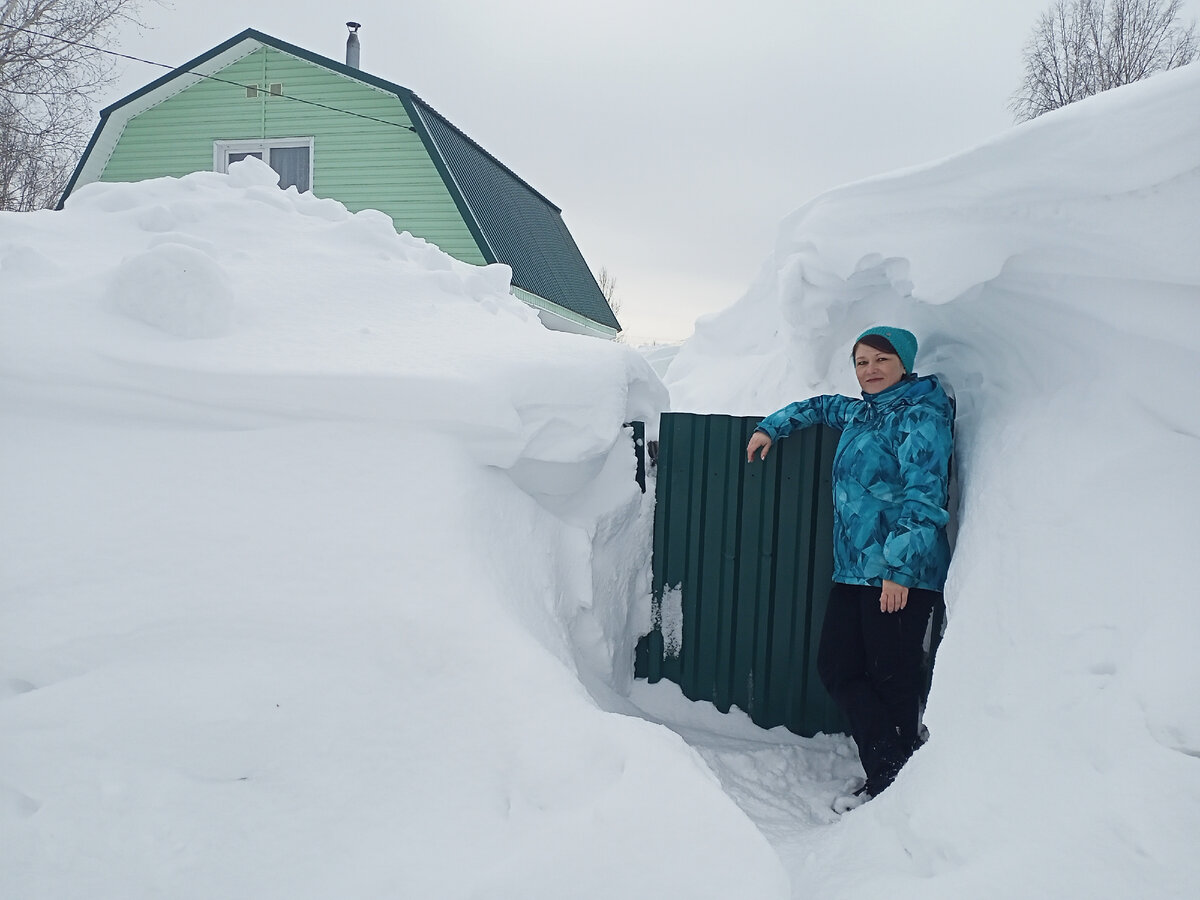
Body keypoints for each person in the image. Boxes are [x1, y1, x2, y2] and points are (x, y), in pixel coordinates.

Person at [745, 326, 954, 811]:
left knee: (891, 677)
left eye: (882, 360)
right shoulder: (862, 412)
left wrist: (900, 570)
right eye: (862, 362)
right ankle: (894, 771)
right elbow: (819, 407)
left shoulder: (920, 416)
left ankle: (892, 783)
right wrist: (771, 427)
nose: (871, 370)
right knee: (837, 667)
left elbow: (925, 499)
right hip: (855, 569)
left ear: (904, 363)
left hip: (900, 575)